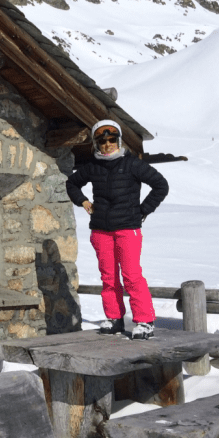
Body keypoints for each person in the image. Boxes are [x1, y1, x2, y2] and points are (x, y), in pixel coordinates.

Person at [65, 119, 169, 340]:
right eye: (102, 142)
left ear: (118, 140)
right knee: (109, 277)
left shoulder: (132, 164)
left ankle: (144, 321)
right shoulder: (93, 165)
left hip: (127, 229)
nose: (107, 145)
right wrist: (83, 201)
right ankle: (114, 318)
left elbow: (161, 185)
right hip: (100, 230)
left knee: (131, 276)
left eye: (112, 140)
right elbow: (71, 183)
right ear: (96, 143)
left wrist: (143, 210)